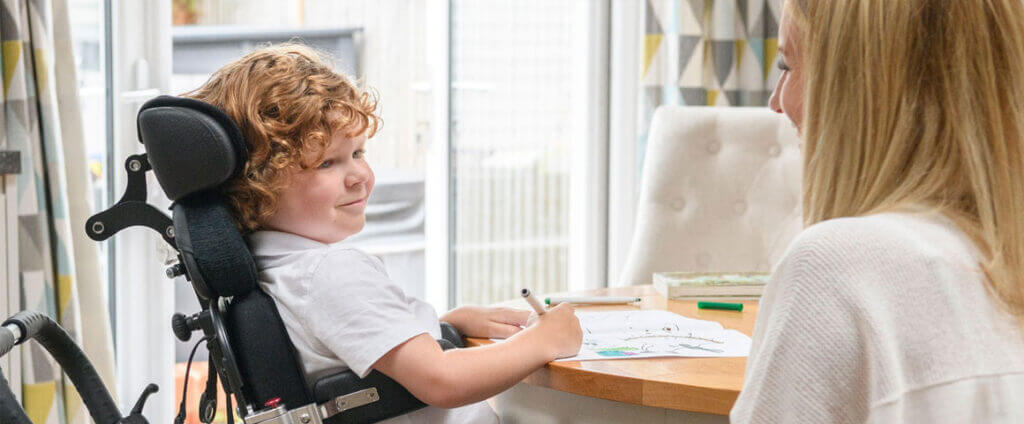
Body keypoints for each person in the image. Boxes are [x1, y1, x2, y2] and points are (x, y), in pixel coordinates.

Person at [185, 43, 583, 423]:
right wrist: (545, 339)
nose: (360, 176)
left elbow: (347, 351)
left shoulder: (270, 268)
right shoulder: (327, 272)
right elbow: (441, 380)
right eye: (328, 163)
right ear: (259, 181)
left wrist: (446, 327)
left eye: (358, 153)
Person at [730, 1, 1024, 422]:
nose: (777, 102)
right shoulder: (1001, 273)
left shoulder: (837, 267)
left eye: (786, 66)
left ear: (857, 87)